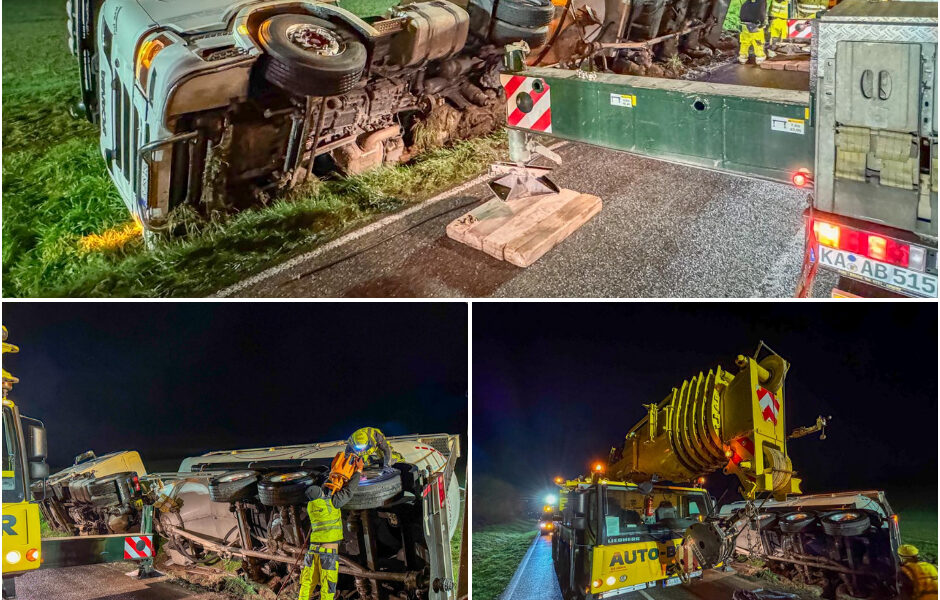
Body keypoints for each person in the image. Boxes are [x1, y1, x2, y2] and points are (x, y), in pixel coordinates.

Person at [297, 461, 362, 600]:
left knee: (307, 583)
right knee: (328, 586)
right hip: (327, 554)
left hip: (313, 551)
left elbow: (324, 491)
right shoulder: (332, 503)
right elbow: (349, 491)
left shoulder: (311, 506)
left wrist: (331, 475)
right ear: (321, 494)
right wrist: (358, 472)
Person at [738, 0, 768, 65]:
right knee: (758, 42)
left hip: (745, 26)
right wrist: (762, 23)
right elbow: (762, 13)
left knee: (745, 42)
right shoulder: (761, 2)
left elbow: (741, 15)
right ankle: (760, 58)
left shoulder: (745, 3)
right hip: (756, 25)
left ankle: (742, 58)